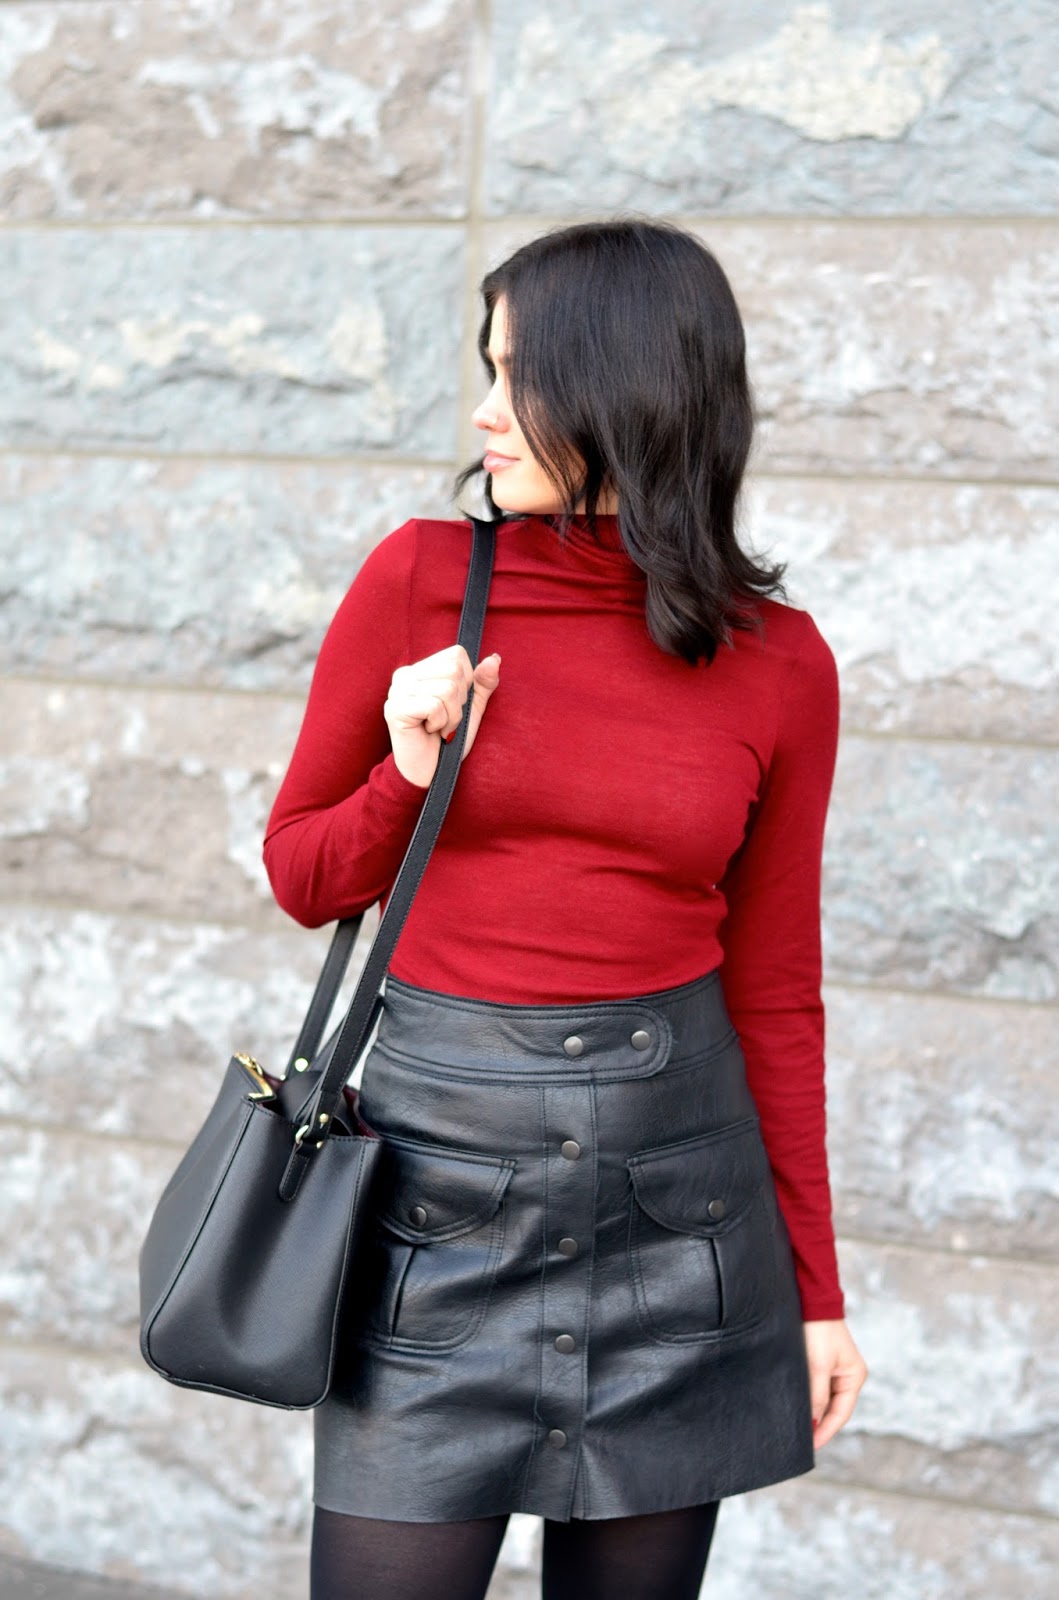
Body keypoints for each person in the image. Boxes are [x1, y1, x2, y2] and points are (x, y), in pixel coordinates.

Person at [261, 217, 869, 1600]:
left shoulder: (780, 663)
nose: (485, 410)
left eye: (518, 374)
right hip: (436, 1211)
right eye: (486, 367)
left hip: (680, 1223)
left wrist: (817, 1287)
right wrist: (409, 772)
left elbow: (776, 992)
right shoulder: (421, 581)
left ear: (628, 389)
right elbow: (304, 876)